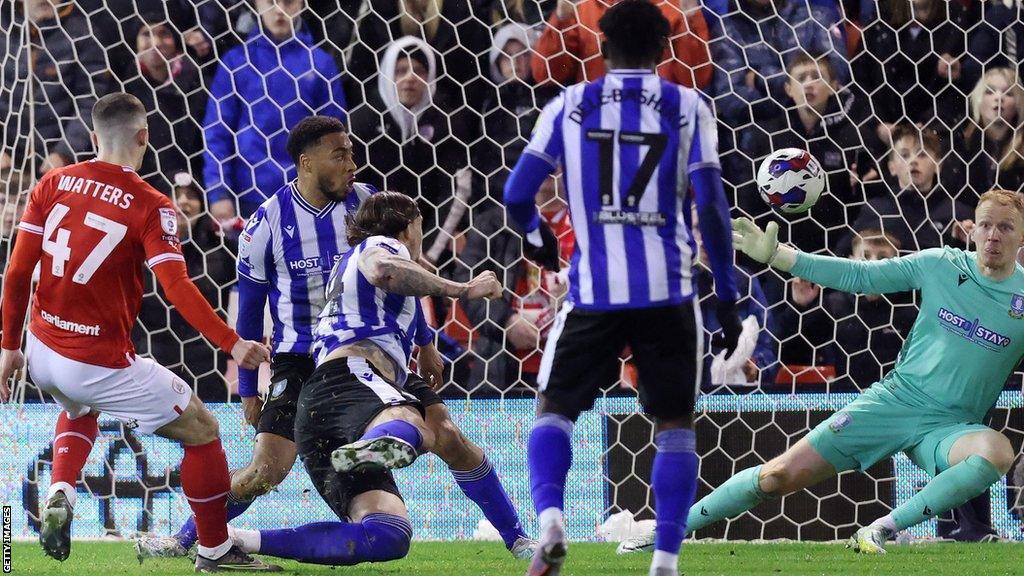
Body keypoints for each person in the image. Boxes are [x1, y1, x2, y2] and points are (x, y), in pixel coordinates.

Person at [137, 116, 534, 561]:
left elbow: (402, 281)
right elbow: (249, 312)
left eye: (352, 152)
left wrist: (425, 343)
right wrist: (249, 387)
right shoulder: (265, 224)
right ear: (306, 163)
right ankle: (190, 539)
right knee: (266, 470)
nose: (352, 163)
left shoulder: (369, 206)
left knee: (448, 435)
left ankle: (518, 538)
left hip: (375, 351)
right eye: (340, 154)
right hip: (300, 359)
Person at [503, 3, 742, 575]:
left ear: (601, 45)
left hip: (594, 292)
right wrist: (728, 294)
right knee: (674, 425)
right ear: (664, 50)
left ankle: (552, 523)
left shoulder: (568, 105)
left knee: (554, 410)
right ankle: (664, 561)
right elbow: (711, 205)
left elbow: (516, 196)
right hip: (670, 293)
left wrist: (538, 241)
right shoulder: (689, 107)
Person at [0, 93, 275, 571]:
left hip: (41, 350)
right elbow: (178, 288)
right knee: (203, 429)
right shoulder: (152, 205)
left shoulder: (52, 183)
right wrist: (232, 343)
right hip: (98, 361)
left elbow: (17, 273)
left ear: (92, 137)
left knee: (79, 407)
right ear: (144, 138)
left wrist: (7, 347)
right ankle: (215, 549)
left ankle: (60, 491)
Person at [682, 189, 1022, 553]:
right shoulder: (942, 264)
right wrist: (781, 256)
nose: (993, 235)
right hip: (894, 403)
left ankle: (880, 528)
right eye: (985, 225)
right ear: (972, 231)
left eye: (1005, 227)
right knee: (777, 476)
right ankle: (670, 527)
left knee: (996, 450)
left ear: (1021, 236)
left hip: (950, 430)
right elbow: (860, 276)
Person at [222, 191, 520, 566]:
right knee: (413, 424)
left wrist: (427, 345)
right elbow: (385, 270)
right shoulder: (379, 246)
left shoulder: (367, 266)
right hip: (351, 374)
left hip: (346, 390)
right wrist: (463, 289)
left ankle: (236, 540)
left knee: (388, 535)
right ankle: (371, 446)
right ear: (408, 228)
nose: (420, 237)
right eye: (420, 228)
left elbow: (400, 298)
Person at [203, 0, 347, 220]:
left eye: (288, 2)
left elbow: (334, 136)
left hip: (307, 197)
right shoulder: (236, 61)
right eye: (270, 2)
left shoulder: (320, 63)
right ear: (256, 5)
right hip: (248, 196)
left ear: (302, 4)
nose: (279, 10)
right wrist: (218, 192)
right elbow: (217, 130)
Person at [0, 0, 113, 174]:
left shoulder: (83, 35)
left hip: (62, 164)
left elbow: (91, 102)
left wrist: (65, 152)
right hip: (9, 159)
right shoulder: (4, 30)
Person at [843, 125, 972, 255]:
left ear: (938, 165)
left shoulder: (958, 214)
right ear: (892, 167)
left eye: (922, 154)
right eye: (904, 155)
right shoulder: (874, 210)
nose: (913, 161)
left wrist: (961, 241)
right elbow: (841, 256)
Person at [530, 0, 713, 90]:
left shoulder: (676, 5)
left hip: (659, 119)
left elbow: (696, 79)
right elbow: (546, 75)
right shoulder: (582, 6)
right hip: (597, 120)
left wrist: (691, 19)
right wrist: (561, 19)